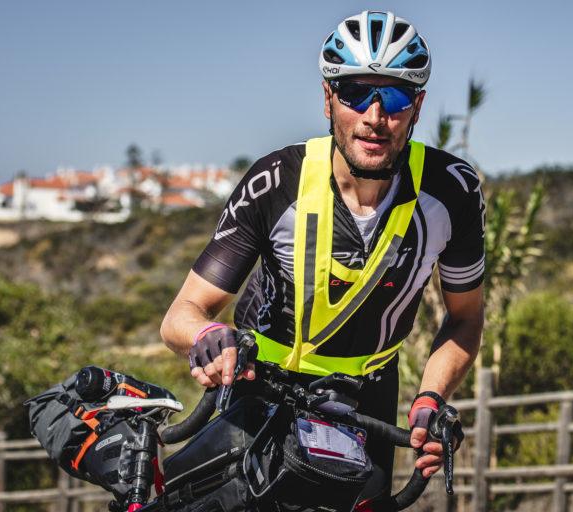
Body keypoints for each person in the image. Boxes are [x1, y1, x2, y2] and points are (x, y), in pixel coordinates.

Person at [160, 9, 485, 502]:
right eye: (355, 92)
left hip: (368, 400)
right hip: (261, 389)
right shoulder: (276, 181)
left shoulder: (452, 191)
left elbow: (465, 317)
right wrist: (207, 337)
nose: (374, 117)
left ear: (417, 106)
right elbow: (181, 315)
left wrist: (430, 397)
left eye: (395, 97)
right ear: (328, 99)